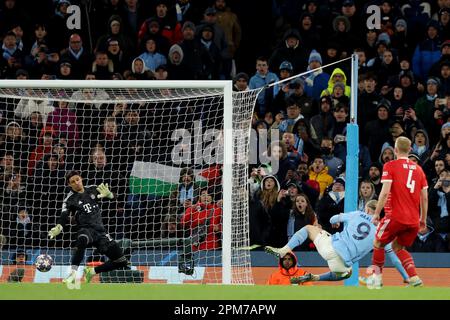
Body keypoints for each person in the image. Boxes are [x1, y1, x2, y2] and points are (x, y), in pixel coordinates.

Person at [265, 200, 410, 285]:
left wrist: (335, 223)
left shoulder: (358, 214)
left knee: (309, 229)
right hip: (341, 261)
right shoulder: (382, 233)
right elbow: (395, 260)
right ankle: (316, 278)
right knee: (347, 273)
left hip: (329, 246)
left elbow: (333, 219)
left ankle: (284, 249)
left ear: (367, 209)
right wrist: (406, 277)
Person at [48, 170, 130, 287]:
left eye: (77, 179)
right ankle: (73, 274)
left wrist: (110, 195)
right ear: (69, 185)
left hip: (101, 232)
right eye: (73, 182)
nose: (76, 182)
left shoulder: (92, 189)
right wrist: (59, 227)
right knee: (82, 239)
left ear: (81, 179)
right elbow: (64, 216)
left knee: (121, 261)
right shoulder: (70, 199)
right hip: (86, 230)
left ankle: (91, 272)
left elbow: (115, 198)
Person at [367, 136, 428, 289]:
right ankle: (414, 278)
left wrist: (376, 213)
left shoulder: (390, 166)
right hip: (413, 220)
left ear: (395, 150)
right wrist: (423, 219)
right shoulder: (419, 170)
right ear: (410, 150)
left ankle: (376, 279)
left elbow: (385, 192)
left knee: (378, 243)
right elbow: (425, 198)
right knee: (398, 247)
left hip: (395, 216)